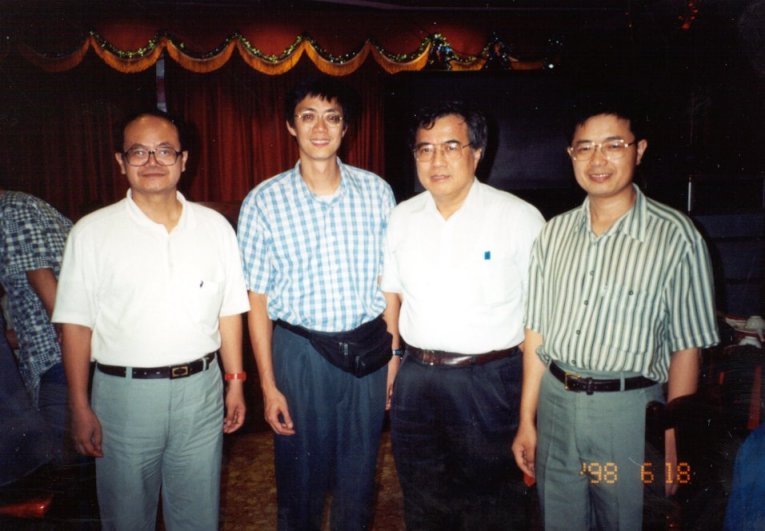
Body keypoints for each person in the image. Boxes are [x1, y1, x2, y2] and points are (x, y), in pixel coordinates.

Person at [511, 98, 719, 531]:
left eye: (613, 145)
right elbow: (536, 333)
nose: (597, 160)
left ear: (639, 150)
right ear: (571, 154)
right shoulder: (553, 234)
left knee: (626, 521)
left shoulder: (676, 236)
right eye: (584, 147)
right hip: (556, 405)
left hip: (630, 416)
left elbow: (687, 347)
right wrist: (527, 421)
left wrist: (671, 441)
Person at [52, 110, 249, 531]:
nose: (153, 162)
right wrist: (79, 404)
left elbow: (229, 310)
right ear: (120, 161)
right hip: (123, 399)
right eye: (138, 152)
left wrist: (235, 381)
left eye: (164, 151)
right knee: (126, 519)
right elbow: (75, 327)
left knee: (198, 517)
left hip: (201, 393)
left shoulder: (215, 228)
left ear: (183, 159)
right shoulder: (91, 232)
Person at [237, 75, 398, 530]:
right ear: (291, 126)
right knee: (299, 483)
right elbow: (257, 300)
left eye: (332, 117)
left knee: (358, 480)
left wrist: (394, 357)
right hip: (300, 353)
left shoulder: (377, 192)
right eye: (308, 116)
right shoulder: (264, 201)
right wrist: (268, 386)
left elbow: (390, 283)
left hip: (369, 350)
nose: (321, 128)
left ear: (346, 127)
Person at [381, 100, 545, 530]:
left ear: (477, 153)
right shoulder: (402, 217)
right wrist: (394, 360)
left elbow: (539, 325)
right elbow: (391, 296)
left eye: (451, 146)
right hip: (417, 380)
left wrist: (528, 414)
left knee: (493, 510)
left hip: (489, 382)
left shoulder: (519, 218)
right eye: (425, 149)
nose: (436, 160)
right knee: (422, 503)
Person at [0, 184, 72, 465]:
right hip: (59, 349)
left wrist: (68, 337)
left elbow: (40, 274)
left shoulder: (10, 209)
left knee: (62, 457)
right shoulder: (29, 205)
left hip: (53, 354)